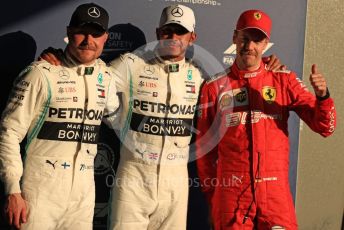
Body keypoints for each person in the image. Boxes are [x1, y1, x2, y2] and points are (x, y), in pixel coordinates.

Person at [40, 4, 284, 230]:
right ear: (158, 32)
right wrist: (59, 58)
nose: (173, 39)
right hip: (133, 178)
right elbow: (89, 75)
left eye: (180, 33)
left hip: (176, 182)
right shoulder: (131, 64)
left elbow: (241, 79)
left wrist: (267, 65)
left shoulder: (201, 76)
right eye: (167, 32)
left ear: (192, 38)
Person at [195, 9, 336, 230]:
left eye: (257, 40)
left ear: (265, 44)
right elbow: (204, 151)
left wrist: (323, 96)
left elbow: (325, 126)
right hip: (232, 197)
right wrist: (215, 197)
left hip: (275, 197)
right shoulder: (214, 87)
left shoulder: (283, 79)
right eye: (244, 38)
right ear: (234, 37)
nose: (249, 46)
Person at [0, 3, 118, 230]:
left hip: (83, 198)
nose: (88, 40)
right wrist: (13, 190)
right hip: (39, 195)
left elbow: (121, 120)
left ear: (105, 37)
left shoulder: (106, 76)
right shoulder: (40, 73)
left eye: (96, 33)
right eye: (82, 31)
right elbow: (9, 132)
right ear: (69, 32)